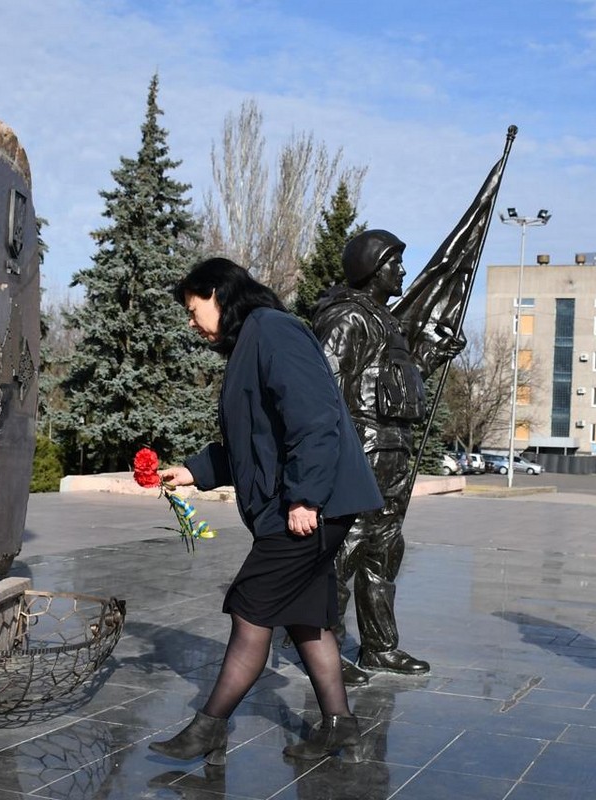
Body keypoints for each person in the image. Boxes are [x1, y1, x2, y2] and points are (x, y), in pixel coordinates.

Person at [148, 257, 383, 765]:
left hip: (307, 506)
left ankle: (208, 727)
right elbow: (256, 441)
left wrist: (305, 496)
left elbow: (315, 418)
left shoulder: (273, 331)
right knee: (305, 619)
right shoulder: (252, 341)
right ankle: (341, 726)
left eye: (193, 310)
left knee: (251, 607)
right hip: (301, 502)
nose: (192, 323)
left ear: (217, 292)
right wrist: (192, 471)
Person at [312, 230, 463, 686]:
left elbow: (396, 383)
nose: (402, 271)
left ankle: (380, 647)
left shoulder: (385, 322)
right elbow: (324, 392)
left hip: (394, 456)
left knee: (384, 552)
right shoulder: (347, 320)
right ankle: (325, 650)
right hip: (360, 455)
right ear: (373, 268)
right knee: (345, 554)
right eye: (395, 263)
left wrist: (431, 358)